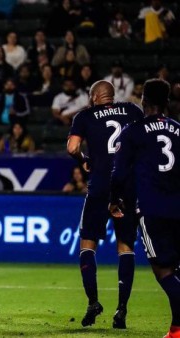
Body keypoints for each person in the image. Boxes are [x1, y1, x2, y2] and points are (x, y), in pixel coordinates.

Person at [67, 80, 144, 329]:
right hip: (127, 186)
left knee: (88, 242)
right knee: (125, 247)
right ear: (112, 96)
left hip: (100, 185)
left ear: (94, 97)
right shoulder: (133, 110)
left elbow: (72, 147)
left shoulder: (85, 116)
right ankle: (122, 309)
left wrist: (84, 159)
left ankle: (93, 302)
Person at [109, 79, 180, 338]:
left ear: (143, 101)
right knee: (177, 270)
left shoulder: (133, 131)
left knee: (163, 271)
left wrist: (114, 199)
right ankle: (176, 329)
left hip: (151, 208)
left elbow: (118, 174)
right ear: (167, 103)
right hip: (178, 207)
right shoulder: (178, 129)